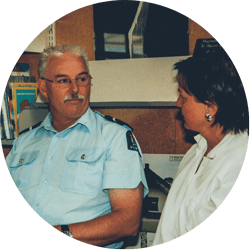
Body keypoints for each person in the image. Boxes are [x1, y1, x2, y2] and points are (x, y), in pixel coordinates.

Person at [6, 45, 148, 248]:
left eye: (82, 79)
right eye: (63, 80)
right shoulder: (24, 142)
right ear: (43, 88)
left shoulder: (113, 137)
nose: (75, 89)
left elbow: (127, 222)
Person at [153, 51, 249, 245]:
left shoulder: (236, 163)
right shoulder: (198, 148)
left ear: (210, 108)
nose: (177, 103)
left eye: (184, 97)